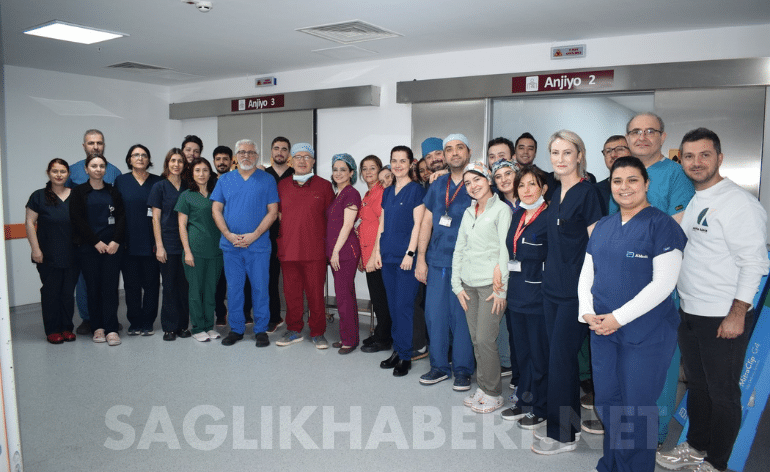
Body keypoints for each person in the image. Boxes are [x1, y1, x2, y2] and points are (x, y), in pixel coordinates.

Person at [657, 128, 769, 472]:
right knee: (699, 385)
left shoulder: (739, 203)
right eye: (689, 156)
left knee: (722, 392)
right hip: (691, 310)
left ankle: (717, 463)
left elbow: (755, 263)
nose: (696, 162)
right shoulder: (695, 199)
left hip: (723, 315)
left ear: (720, 158)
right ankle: (695, 447)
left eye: (704, 155)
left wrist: (737, 313)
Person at [579, 156, 686, 472]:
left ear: (646, 184)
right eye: (617, 181)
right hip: (602, 330)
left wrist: (618, 318)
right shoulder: (604, 226)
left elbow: (664, 284)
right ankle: (611, 465)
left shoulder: (662, 225)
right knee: (607, 402)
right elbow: (587, 273)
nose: (624, 187)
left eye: (632, 180)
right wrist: (587, 312)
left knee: (636, 409)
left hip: (646, 333)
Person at [621, 112, 695, 445]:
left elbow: (676, 226)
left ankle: (655, 430)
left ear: (663, 137)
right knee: (627, 357)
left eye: (650, 131)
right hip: (623, 281)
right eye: (635, 131)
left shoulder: (675, 175)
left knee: (660, 360)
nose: (642, 136)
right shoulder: (623, 173)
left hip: (659, 281)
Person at [532, 130, 604, 455]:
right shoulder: (556, 191)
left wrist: (592, 296)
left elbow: (597, 248)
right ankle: (567, 427)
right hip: (551, 290)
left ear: (579, 156)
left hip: (576, 293)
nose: (560, 159)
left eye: (567, 153)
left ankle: (562, 435)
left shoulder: (588, 194)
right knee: (560, 361)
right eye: (555, 153)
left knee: (561, 361)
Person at [415, 133, 475, 391]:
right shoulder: (438, 184)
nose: (454, 153)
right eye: (449, 149)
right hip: (438, 261)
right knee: (435, 316)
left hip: (467, 263)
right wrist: (421, 259)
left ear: (468, 152)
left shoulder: (477, 183)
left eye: (459, 148)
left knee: (462, 319)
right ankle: (438, 367)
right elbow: (426, 222)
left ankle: (462, 370)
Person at [452, 162, 511, 413]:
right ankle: (484, 387)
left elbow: (505, 251)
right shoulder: (469, 212)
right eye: (467, 183)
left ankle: (494, 393)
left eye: (477, 179)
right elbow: (459, 249)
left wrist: (501, 290)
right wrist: (456, 285)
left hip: (491, 286)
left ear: (488, 180)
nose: (473, 186)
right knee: (476, 339)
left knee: (486, 339)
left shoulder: (502, 210)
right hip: (468, 285)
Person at [211, 139, 279, 347]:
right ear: (236, 157)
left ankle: (261, 329)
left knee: (260, 288)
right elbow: (216, 209)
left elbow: (273, 212)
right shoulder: (225, 180)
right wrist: (228, 234)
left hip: (258, 246)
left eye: (250, 152)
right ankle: (236, 329)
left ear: (257, 156)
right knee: (234, 289)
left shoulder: (267, 180)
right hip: (231, 246)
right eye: (242, 152)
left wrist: (254, 235)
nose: (246, 156)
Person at [499, 165, 550, 430]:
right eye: (521, 185)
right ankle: (525, 401)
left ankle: (541, 407)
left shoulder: (549, 217)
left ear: (543, 188)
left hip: (539, 297)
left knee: (539, 355)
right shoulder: (518, 215)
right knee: (522, 354)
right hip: (516, 294)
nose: (526, 190)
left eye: (532, 184)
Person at [275, 143, 334, 349]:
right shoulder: (282, 186)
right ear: (291, 161)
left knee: (315, 294)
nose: (302, 161)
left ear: (313, 161)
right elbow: (278, 214)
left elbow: (331, 219)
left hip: (315, 251)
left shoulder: (324, 186)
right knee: (291, 294)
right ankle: (293, 329)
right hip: (289, 249)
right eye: (298, 157)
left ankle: (318, 332)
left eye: (307, 157)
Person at [374, 145, 425, 376]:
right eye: (394, 160)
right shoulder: (387, 192)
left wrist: (410, 253)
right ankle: (398, 349)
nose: (397, 165)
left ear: (411, 163)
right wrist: (377, 251)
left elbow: (418, 225)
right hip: (387, 256)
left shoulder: (416, 190)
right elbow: (382, 224)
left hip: (406, 259)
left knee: (404, 307)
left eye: (402, 161)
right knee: (393, 307)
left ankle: (405, 356)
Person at [66, 129, 122, 335]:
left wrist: (116, 239)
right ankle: (88, 319)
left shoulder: (114, 172)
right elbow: (69, 206)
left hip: (110, 239)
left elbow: (119, 208)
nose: (95, 146)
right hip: (85, 241)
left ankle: (109, 321)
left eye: (99, 143)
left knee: (109, 284)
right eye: (91, 143)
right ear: (84, 146)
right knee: (86, 283)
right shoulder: (72, 171)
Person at [25, 158, 78, 344]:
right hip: (48, 254)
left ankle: (66, 328)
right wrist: (35, 249)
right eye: (55, 171)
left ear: (68, 174)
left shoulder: (75, 195)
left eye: (63, 171)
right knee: (51, 292)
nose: (59, 175)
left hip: (72, 254)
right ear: (48, 173)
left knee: (67, 293)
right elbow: (29, 223)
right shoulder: (38, 196)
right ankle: (53, 330)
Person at [115, 145, 161, 336]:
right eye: (136, 155)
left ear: (149, 159)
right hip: (128, 243)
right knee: (131, 286)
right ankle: (134, 322)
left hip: (152, 242)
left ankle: (148, 322)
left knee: (151, 285)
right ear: (129, 159)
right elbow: (116, 212)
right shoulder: (121, 181)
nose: (140, 158)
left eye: (144, 155)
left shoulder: (158, 181)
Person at [176, 157, 223, 342]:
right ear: (191, 173)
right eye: (197, 170)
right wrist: (187, 251)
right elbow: (182, 225)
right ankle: (197, 328)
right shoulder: (186, 195)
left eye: (205, 170)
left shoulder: (216, 194)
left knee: (211, 290)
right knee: (196, 291)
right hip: (195, 250)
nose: (201, 174)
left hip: (216, 250)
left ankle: (208, 326)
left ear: (210, 173)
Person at [148, 149, 190, 341]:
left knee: (184, 286)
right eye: (173, 160)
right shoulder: (159, 187)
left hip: (186, 243)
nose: (176, 164)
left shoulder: (188, 186)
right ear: (167, 163)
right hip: (168, 242)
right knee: (170, 286)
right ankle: (170, 327)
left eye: (180, 161)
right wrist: (159, 245)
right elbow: (155, 218)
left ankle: (183, 325)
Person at [327, 153, 362, 354]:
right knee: (345, 295)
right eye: (335, 169)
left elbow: (348, 225)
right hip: (338, 252)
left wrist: (335, 252)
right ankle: (348, 336)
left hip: (345, 252)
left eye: (343, 169)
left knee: (343, 297)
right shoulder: (338, 194)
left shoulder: (351, 193)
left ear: (351, 173)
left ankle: (349, 340)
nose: (338, 173)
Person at [358, 155, 393, 354]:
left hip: (377, 255)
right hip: (368, 253)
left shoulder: (381, 192)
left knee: (381, 299)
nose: (368, 172)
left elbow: (383, 224)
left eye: (372, 168)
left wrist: (372, 256)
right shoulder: (368, 194)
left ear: (379, 170)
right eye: (365, 168)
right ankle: (381, 332)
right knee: (377, 298)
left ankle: (384, 338)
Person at [264, 136, 295, 332]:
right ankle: (274, 316)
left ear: (288, 153)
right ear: (271, 151)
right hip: (267, 234)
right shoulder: (263, 175)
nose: (280, 152)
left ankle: (294, 320)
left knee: (292, 280)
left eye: (284, 149)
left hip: (291, 234)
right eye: (276, 148)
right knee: (270, 278)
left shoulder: (296, 174)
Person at [595, 135, 631, 208]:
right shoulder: (595, 191)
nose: (613, 155)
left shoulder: (644, 185)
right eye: (608, 151)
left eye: (620, 149)